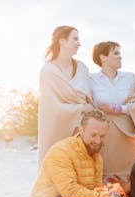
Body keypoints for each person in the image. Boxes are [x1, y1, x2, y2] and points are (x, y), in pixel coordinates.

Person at [38, 25, 94, 167]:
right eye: (75, 39)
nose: (79, 43)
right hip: (57, 130)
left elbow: (91, 99)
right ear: (62, 41)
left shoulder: (82, 68)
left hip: (83, 129)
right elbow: (50, 106)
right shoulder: (48, 71)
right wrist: (81, 107)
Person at [90, 41, 135, 180]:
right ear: (103, 57)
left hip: (127, 134)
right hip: (104, 136)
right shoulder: (91, 80)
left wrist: (117, 109)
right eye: (116, 53)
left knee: (132, 176)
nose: (120, 57)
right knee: (106, 177)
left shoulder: (129, 78)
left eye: (120, 53)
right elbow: (87, 105)